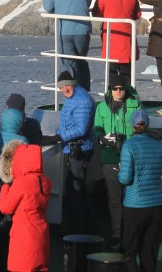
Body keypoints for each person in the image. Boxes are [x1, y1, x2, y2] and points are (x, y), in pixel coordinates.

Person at [43, 70, 97, 234]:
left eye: (67, 85)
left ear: (73, 84)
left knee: (75, 189)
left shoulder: (81, 100)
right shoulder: (72, 98)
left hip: (80, 149)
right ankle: (88, 226)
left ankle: (76, 230)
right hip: (76, 147)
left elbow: (81, 128)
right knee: (78, 187)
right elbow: (67, 123)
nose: (65, 89)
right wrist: (56, 135)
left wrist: (58, 137)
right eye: (62, 87)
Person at [93, 74, 141, 248]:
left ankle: (130, 232)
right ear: (110, 90)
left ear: (125, 89)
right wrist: (102, 139)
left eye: (121, 88)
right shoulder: (102, 108)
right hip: (110, 157)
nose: (119, 91)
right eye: (115, 89)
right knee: (114, 199)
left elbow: (141, 127)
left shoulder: (135, 104)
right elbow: (97, 129)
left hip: (130, 157)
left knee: (131, 197)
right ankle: (116, 233)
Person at [119, 110, 162, 272]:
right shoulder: (159, 144)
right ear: (148, 125)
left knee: (129, 252)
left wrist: (119, 171)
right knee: (149, 252)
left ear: (132, 126)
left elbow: (125, 179)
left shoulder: (129, 145)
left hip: (135, 205)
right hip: (157, 205)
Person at [0, 141, 52, 272]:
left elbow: (5, 207)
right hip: (41, 234)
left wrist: (5, 186)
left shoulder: (21, 183)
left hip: (24, 238)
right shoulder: (45, 182)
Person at [43, 0, 93, 90]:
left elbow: (48, 6)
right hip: (83, 30)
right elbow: (87, 1)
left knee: (69, 64)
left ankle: (72, 99)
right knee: (82, 62)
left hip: (64, 29)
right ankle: (85, 95)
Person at [92, 0, 142, 77]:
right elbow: (138, 15)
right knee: (128, 76)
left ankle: (113, 94)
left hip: (111, 40)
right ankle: (129, 94)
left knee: (112, 76)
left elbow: (96, 13)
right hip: (127, 42)